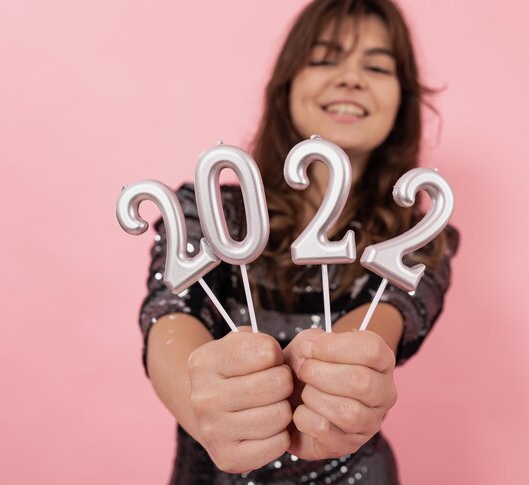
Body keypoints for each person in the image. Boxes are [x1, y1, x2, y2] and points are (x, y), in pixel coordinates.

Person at [138, 0, 459, 483]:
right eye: (325, 58)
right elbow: (170, 314)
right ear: (287, 85)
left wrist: (343, 389)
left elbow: (381, 326)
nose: (351, 78)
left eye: (376, 65)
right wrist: (201, 399)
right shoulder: (206, 210)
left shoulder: (422, 237)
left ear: (401, 101)